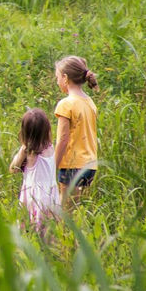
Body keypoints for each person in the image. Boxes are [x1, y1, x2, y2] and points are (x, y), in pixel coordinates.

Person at [53, 55, 99, 210]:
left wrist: (53, 165)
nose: (57, 81)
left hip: (71, 164)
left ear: (65, 78)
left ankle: (63, 235)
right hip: (90, 165)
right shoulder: (89, 102)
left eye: (57, 77)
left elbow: (63, 139)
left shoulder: (66, 104)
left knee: (66, 211)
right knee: (81, 211)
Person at [9, 108, 60, 232]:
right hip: (51, 194)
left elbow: (13, 169)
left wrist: (22, 150)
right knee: (50, 232)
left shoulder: (29, 152)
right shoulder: (51, 147)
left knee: (29, 230)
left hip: (34, 196)